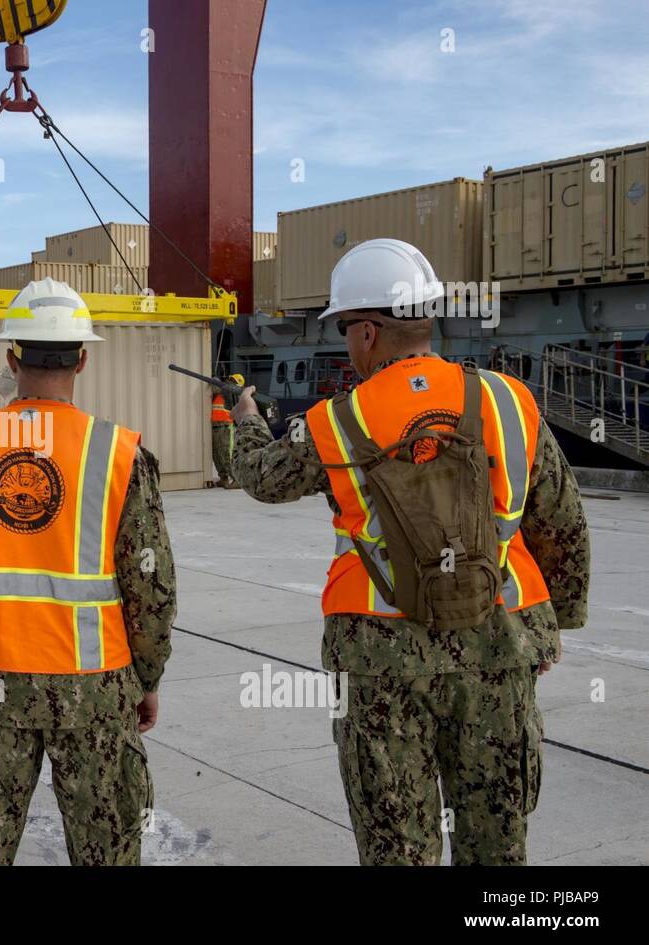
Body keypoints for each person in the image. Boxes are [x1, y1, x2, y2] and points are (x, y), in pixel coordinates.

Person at [230, 238, 590, 865]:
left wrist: (241, 417)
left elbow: (262, 479)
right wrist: (552, 624)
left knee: (398, 843)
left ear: (367, 331)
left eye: (345, 329)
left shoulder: (334, 421)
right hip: (501, 644)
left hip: (380, 657)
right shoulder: (510, 400)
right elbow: (562, 522)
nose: (346, 342)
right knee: (497, 840)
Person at [0, 278, 177, 866]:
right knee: (106, 846)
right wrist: (148, 678)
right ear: (83, 357)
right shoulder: (118, 452)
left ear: (12, 356)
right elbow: (151, 591)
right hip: (96, 685)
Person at [211, 373, 243, 488]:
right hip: (216, 424)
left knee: (224, 454)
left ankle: (236, 479)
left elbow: (214, 386)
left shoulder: (227, 389)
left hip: (223, 426)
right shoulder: (228, 389)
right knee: (216, 454)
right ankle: (223, 478)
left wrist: (215, 379)